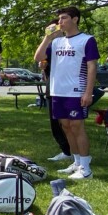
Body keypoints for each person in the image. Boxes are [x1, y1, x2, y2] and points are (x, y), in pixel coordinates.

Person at [34, 6, 99, 180]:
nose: (60, 22)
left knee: (77, 126)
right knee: (66, 127)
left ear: (75, 19)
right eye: (59, 19)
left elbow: (92, 66)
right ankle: (76, 162)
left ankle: (86, 168)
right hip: (58, 91)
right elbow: (38, 58)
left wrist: (88, 92)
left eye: (63, 18)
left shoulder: (87, 40)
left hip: (76, 91)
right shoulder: (56, 42)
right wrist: (47, 38)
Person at [41, 19, 72, 162]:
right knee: (55, 123)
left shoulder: (70, 43)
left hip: (68, 89)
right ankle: (67, 151)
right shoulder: (50, 44)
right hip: (52, 86)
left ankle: (73, 152)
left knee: (69, 123)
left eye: (55, 27)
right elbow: (40, 59)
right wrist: (44, 65)